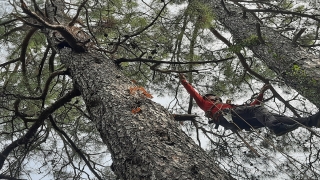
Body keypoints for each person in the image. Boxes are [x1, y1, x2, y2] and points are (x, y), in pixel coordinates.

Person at [178, 74, 320, 136]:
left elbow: (254, 106)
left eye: (210, 95)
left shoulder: (228, 106)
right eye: (209, 95)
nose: (208, 96)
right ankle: (277, 128)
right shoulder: (206, 104)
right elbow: (194, 93)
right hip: (226, 118)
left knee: (273, 116)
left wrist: (261, 93)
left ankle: (311, 121)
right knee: (259, 111)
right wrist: (185, 81)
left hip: (237, 120)